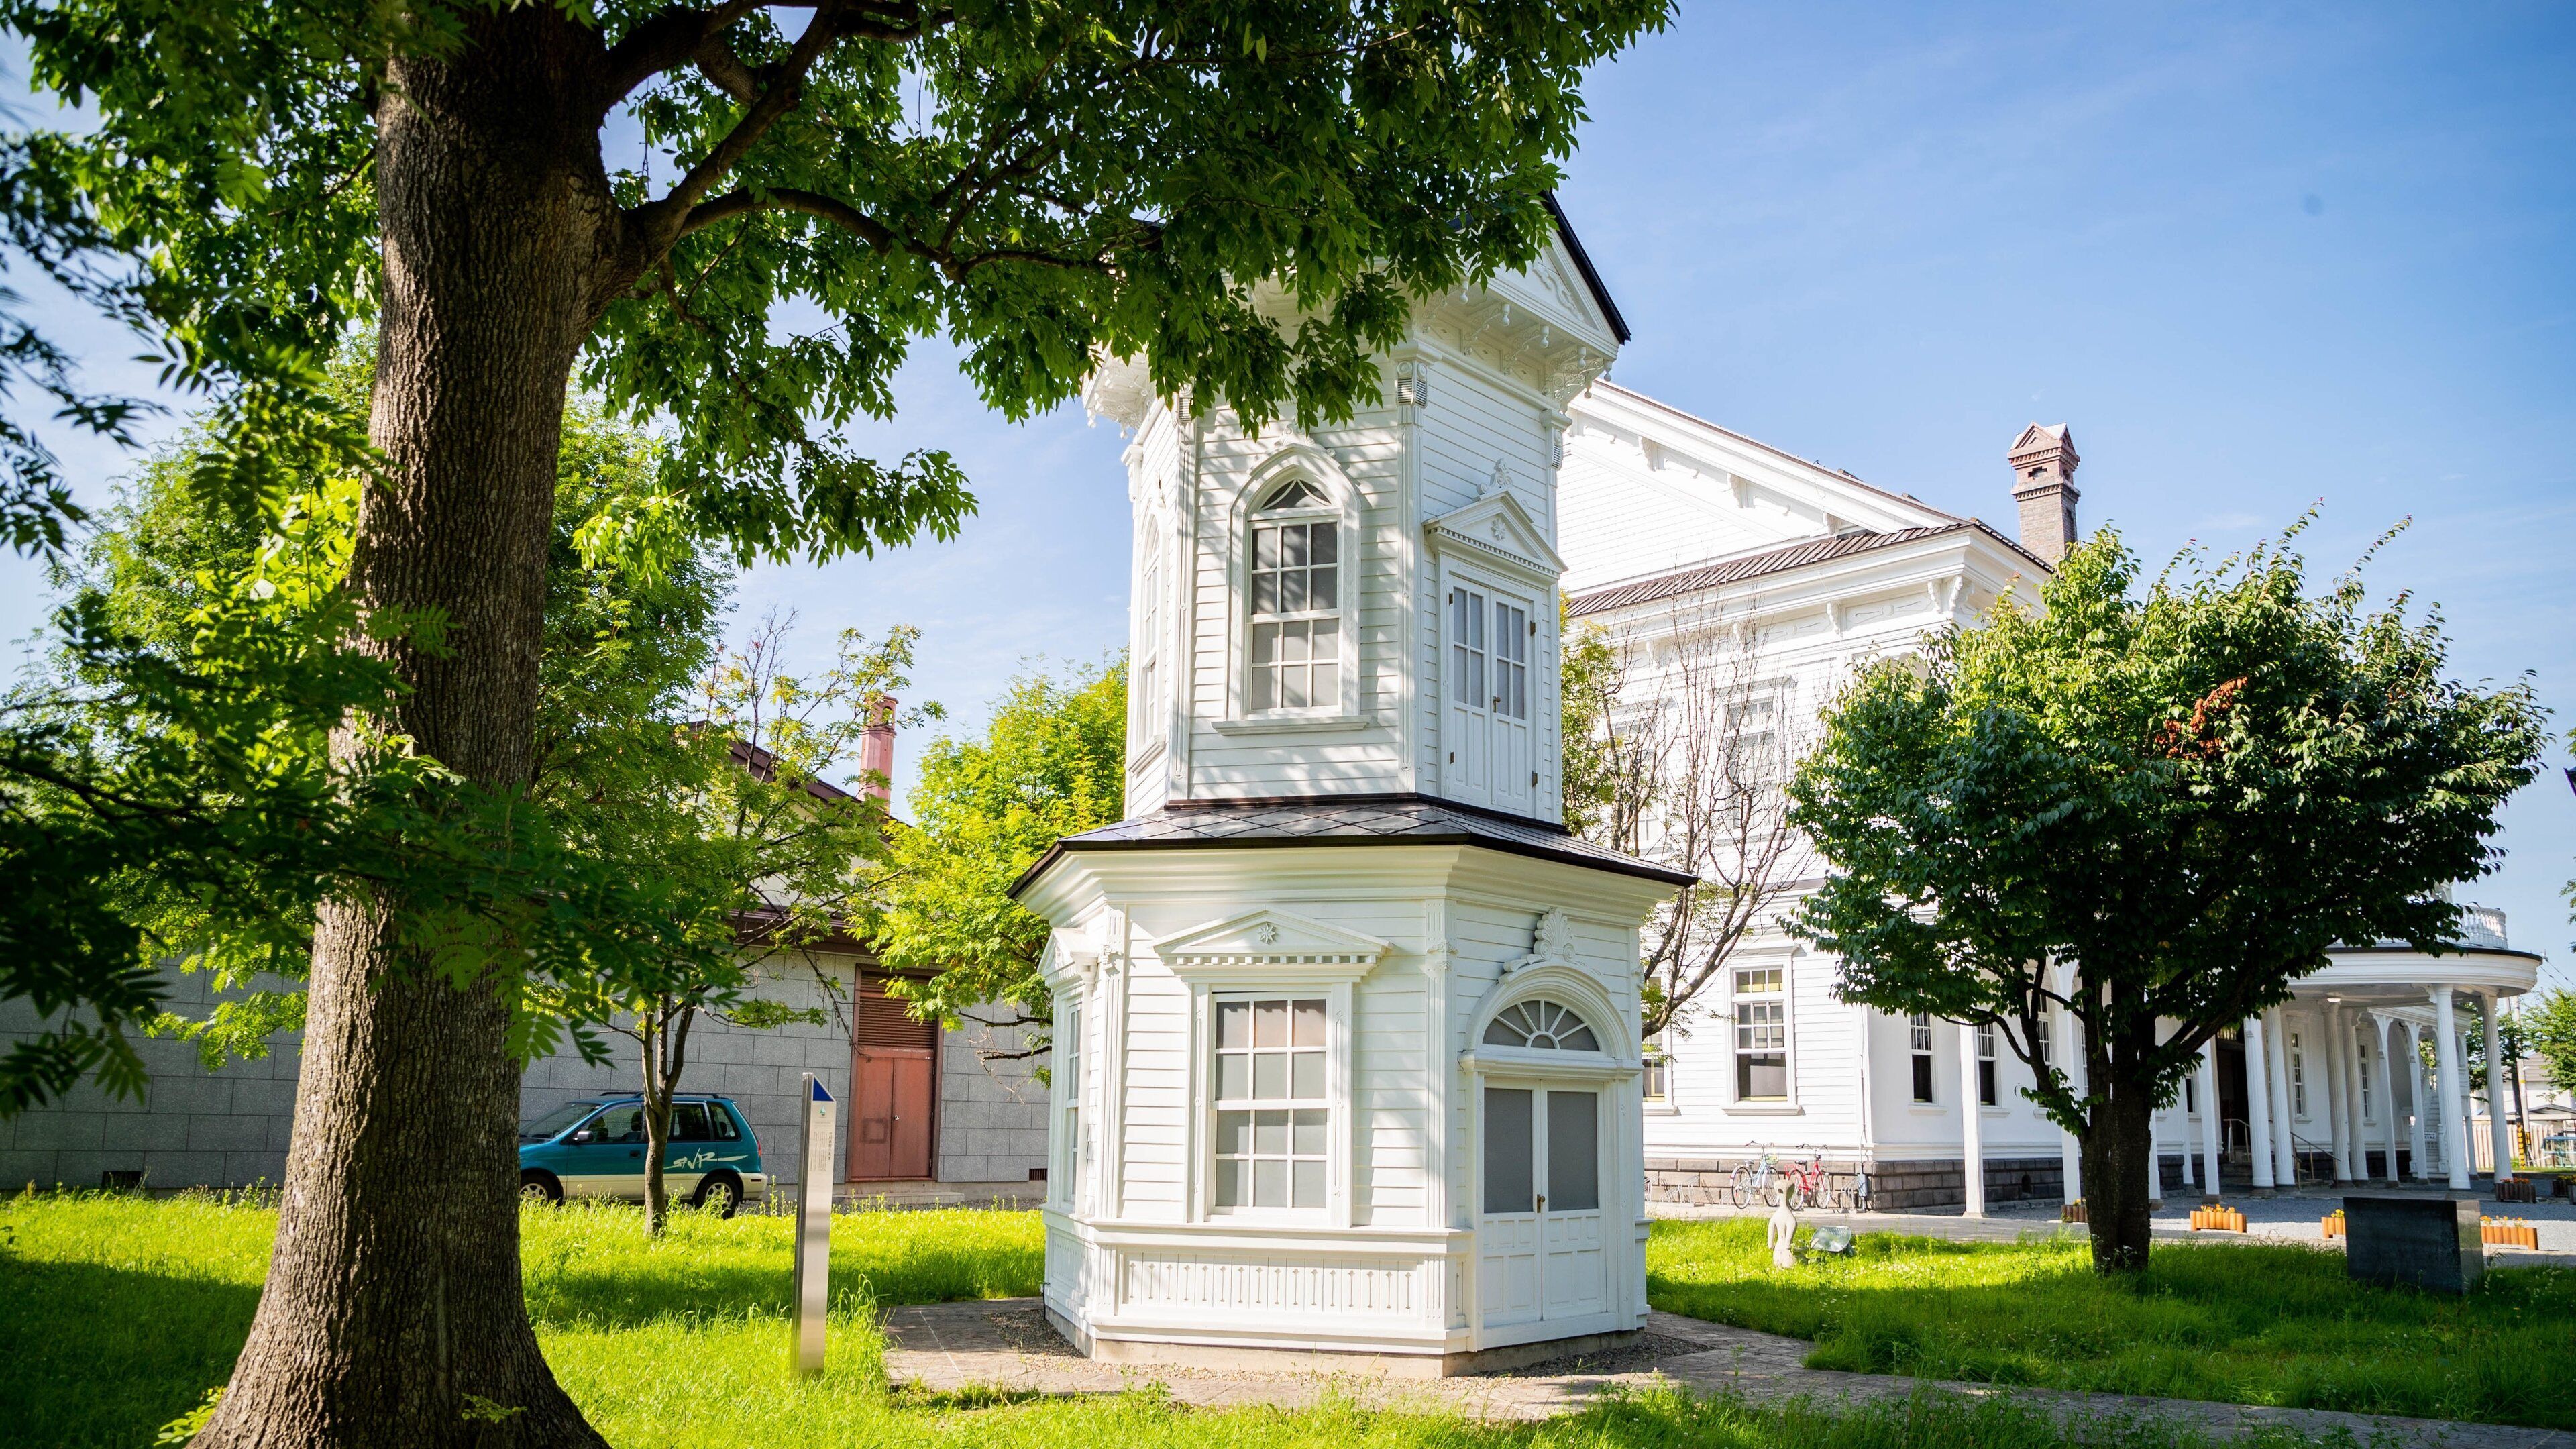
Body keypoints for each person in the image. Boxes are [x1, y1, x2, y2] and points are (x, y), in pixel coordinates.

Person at [1768, 1197, 1798, 1269]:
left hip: (1777, 1254)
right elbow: (1788, 1245)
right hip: (1787, 1256)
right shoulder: (1790, 1217)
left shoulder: (1775, 1216)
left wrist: (1773, 1247)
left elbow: (1770, 1246)